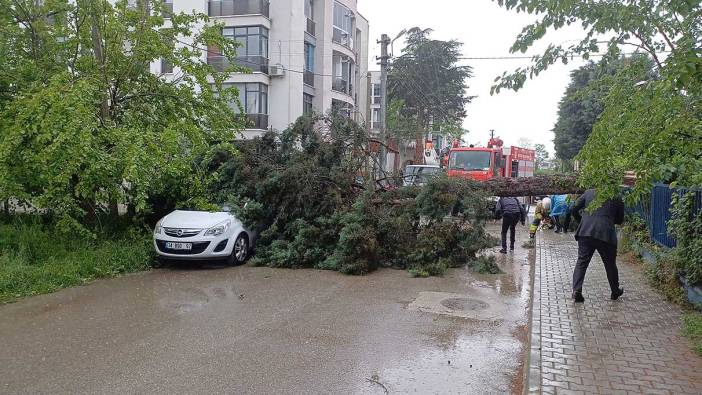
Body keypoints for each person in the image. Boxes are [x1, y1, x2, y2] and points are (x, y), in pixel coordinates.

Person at [571, 189, 625, 303]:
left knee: (582, 261)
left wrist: (582, 221)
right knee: (610, 263)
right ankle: (615, 291)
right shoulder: (616, 195)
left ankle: (576, 290)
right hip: (605, 234)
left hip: (585, 232)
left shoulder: (589, 192)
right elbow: (620, 220)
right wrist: (608, 219)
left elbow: (573, 208)